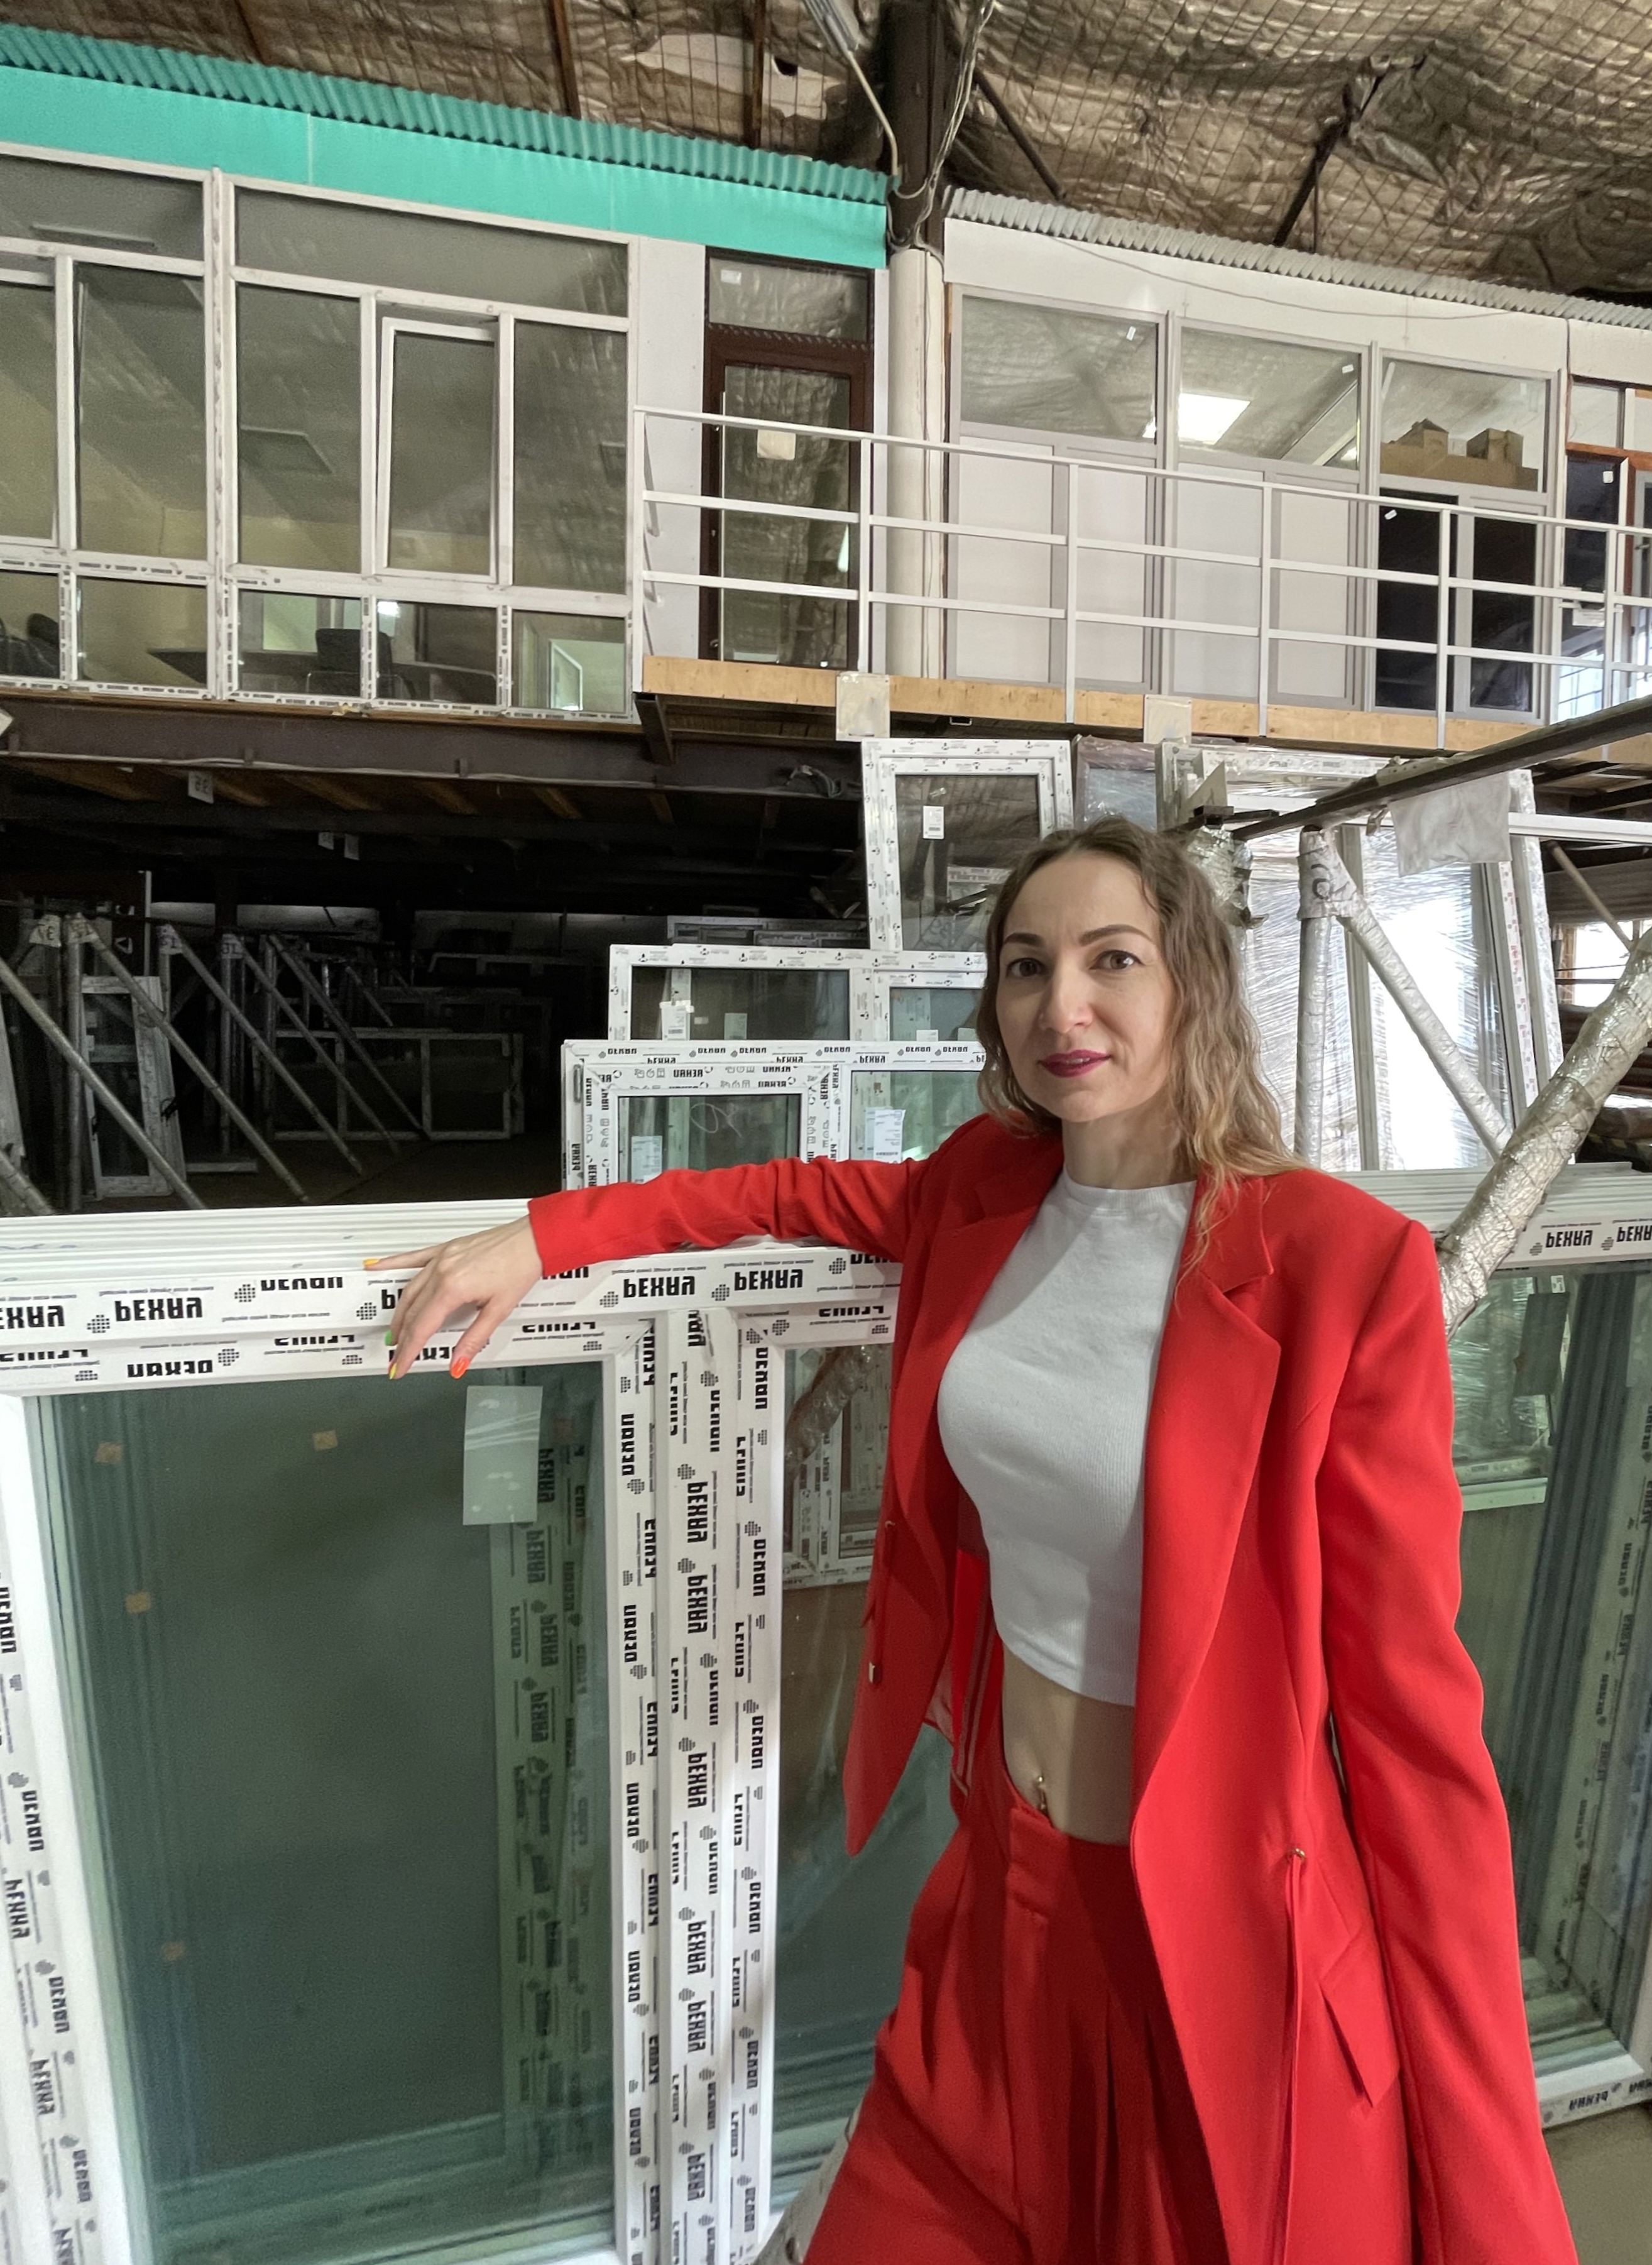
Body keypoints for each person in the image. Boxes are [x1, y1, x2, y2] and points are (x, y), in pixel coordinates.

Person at [375, 815, 1580, 2265]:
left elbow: (1410, 1736)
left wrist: (1494, 2194)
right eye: (1023, 965)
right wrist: (545, 1236)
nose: (1060, 1004)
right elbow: (778, 1192)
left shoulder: (1335, 1265)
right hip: (1001, 1893)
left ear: (1191, 982)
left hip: (1208, 1952)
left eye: (1110, 959)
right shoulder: (981, 1191)